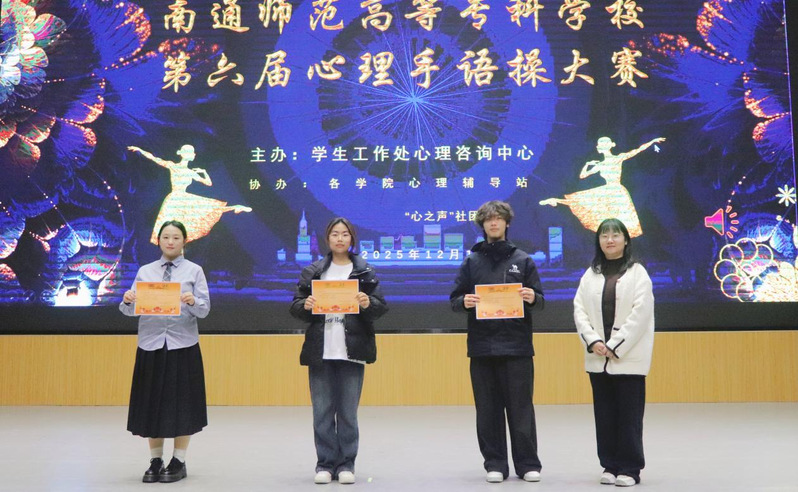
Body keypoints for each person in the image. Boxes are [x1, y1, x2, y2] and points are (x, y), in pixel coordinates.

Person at [450, 200, 545, 483]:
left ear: (507, 223)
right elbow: (455, 299)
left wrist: (532, 297)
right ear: (482, 224)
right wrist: (464, 302)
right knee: (487, 410)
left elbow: (540, 301)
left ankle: (527, 464)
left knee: (521, 408)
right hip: (482, 347)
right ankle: (495, 463)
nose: (493, 222)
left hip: (517, 346)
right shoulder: (471, 261)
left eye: (498, 218)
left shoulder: (523, 260)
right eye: (488, 219)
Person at [289, 217, 388, 485]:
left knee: (347, 413)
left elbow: (381, 307)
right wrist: (305, 305)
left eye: (345, 234)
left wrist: (367, 303)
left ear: (352, 238)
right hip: (321, 350)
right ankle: (325, 464)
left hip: (352, 350)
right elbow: (295, 306)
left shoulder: (365, 272)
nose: (340, 238)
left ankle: (346, 464)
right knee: (322, 412)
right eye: (335, 234)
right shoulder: (314, 271)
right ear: (327, 238)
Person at [120, 220, 210, 483]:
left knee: (183, 405)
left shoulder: (194, 271)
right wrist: (127, 300)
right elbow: (128, 310)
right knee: (151, 404)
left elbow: (205, 310)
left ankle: (179, 460)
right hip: (151, 344)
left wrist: (193, 301)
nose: (170, 242)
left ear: (184, 241)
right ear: (158, 240)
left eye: (176, 237)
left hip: (183, 345)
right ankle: (156, 460)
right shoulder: (145, 271)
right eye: (166, 237)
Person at [573, 218, 655, 487]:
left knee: (629, 417)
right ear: (598, 241)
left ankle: (630, 469)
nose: (610, 240)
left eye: (615, 235)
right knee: (605, 416)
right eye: (604, 235)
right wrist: (594, 341)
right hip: (598, 358)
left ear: (626, 240)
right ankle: (609, 465)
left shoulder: (638, 273)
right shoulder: (590, 274)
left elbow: (640, 315)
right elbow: (579, 311)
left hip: (628, 358)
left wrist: (614, 344)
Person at [539, 136, 665, 238]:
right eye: (600, 144)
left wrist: (652, 141)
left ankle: (556, 200)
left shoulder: (618, 158)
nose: (600, 147)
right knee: (584, 200)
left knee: (618, 217)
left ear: (609, 145)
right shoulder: (600, 164)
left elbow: (637, 150)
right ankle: (555, 200)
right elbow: (583, 176)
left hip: (617, 191)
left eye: (603, 144)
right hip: (608, 189)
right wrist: (587, 164)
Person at [127, 144, 251, 244]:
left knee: (207, 208)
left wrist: (204, 172)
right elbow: (155, 159)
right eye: (190, 152)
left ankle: (236, 207)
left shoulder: (191, 172)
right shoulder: (173, 166)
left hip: (183, 197)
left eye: (192, 152)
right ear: (184, 154)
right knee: (173, 227)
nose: (193, 155)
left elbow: (208, 183)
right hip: (174, 199)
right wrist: (140, 150)